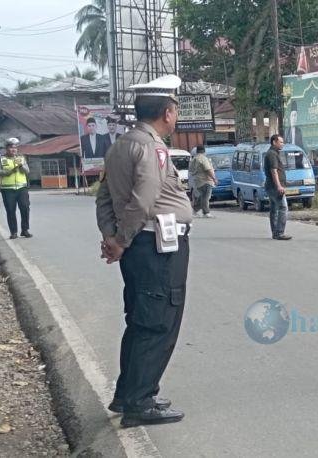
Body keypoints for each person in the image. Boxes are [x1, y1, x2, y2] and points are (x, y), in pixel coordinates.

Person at [95, 74, 191, 427]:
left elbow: (104, 199)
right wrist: (120, 240)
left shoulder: (120, 145)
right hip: (156, 246)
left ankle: (127, 394)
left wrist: (113, 236)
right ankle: (140, 401)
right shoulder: (153, 148)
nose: (176, 117)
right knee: (157, 322)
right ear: (167, 112)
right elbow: (144, 199)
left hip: (140, 245)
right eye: (176, 110)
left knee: (139, 320)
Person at [0, 138, 32, 239]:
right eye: (11, 147)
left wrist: (21, 166)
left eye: (15, 148)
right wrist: (8, 172)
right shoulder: (1, 159)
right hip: (8, 189)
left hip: (22, 188)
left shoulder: (21, 158)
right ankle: (13, 232)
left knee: (25, 208)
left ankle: (25, 230)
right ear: (6, 149)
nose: (14, 150)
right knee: (10, 210)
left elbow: (27, 171)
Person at [264, 134, 292, 240]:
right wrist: (279, 186)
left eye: (282, 142)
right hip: (274, 187)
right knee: (283, 207)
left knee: (274, 209)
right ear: (274, 142)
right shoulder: (272, 154)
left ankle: (275, 232)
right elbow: (274, 171)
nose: (282, 144)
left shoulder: (273, 153)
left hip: (270, 186)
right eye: (280, 142)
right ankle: (279, 232)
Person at [188, 144, 217, 218]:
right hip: (206, 180)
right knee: (206, 197)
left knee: (202, 197)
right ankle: (206, 212)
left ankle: (194, 210)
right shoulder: (203, 158)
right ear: (204, 151)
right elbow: (208, 169)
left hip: (198, 181)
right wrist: (214, 179)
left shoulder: (194, 159)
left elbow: (191, 170)